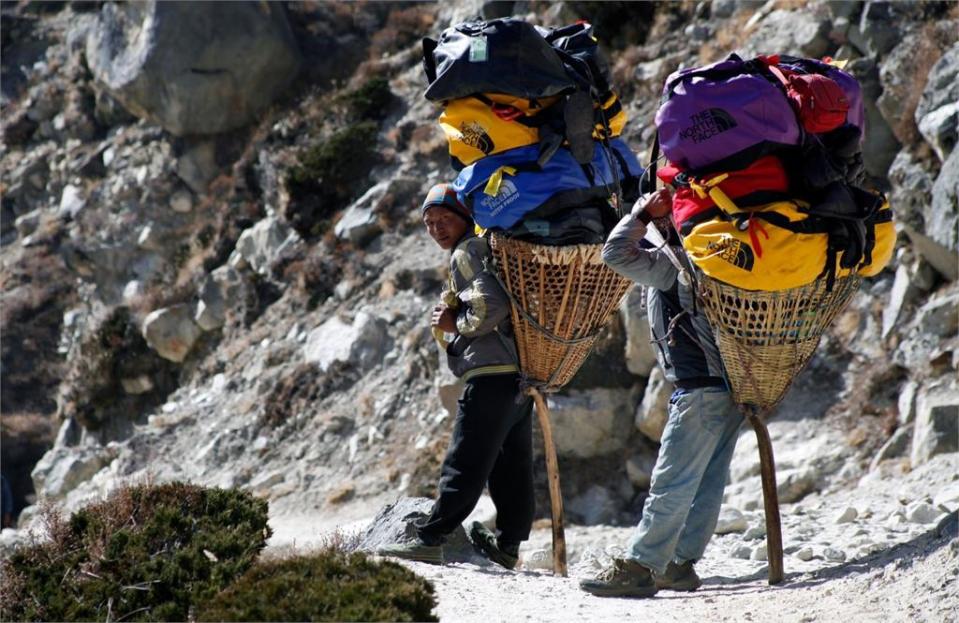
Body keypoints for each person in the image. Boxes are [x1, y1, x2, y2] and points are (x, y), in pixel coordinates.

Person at [579, 188, 744, 598]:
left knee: (671, 482)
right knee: (707, 481)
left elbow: (614, 252)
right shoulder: (716, 256)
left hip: (697, 389)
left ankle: (642, 564)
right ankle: (680, 564)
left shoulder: (672, 264)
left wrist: (639, 214)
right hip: (729, 390)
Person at [378, 183, 534, 569]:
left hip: (489, 374)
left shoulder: (466, 253)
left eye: (444, 219)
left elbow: (490, 307)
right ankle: (508, 546)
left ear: (465, 217)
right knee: (509, 464)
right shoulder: (485, 248)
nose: (437, 229)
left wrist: (456, 323)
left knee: (466, 457)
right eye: (429, 223)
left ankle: (431, 537)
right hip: (519, 374)